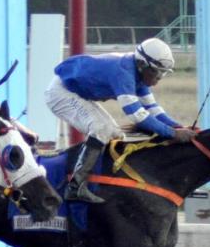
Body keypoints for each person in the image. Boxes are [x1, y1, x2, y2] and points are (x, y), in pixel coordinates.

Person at [45, 37, 197, 203]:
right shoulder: (123, 73)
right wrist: (173, 133)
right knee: (101, 129)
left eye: (163, 72)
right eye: (157, 71)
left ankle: (102, 183)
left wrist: (180, 127)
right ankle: (75, 186)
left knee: (116, 135)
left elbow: (154, 110)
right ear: (143, 65)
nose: (159, 77)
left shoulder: (138, 74)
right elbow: (137, 116)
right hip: (61, 92)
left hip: (76, 92)